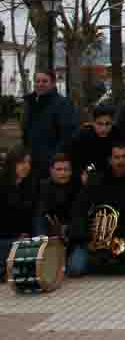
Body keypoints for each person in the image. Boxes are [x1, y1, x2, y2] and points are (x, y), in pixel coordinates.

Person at [67, 141, 125, 277]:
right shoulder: (95, 180)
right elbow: (78, 211)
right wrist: (86, 240)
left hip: (119, 239)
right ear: (110, 160)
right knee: (74, 269)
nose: (121, 161)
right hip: (91, 239)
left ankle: (110, 259)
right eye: (117, 157)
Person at [22, 70, 78, 172]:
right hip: (30, 162)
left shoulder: (63, 104)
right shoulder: (29, 103)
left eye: (44, 81)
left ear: (53, 83)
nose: (40, 84)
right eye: (37, 81)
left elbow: (67, 135)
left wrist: (53, 158)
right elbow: (25, 133)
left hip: (51, 164)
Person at [0, 147, 37, 279]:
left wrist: (27, 234)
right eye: (22, 162)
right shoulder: (3, 185)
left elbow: (28, 216)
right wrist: (16, 236)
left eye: (28, 162)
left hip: (20, 238)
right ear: (12, 164)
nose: (26, 166)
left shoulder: (28, 185)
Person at [36, 152, 79, 237]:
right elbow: (39, 215)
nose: (63, 173)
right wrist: (41, 235)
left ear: (71, 171)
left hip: (73, 235)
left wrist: (67, 229)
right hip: (49, 235)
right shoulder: (43, 187)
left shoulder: (78, 187)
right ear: (51, 171)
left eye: (66, 169)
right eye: (59, 169)